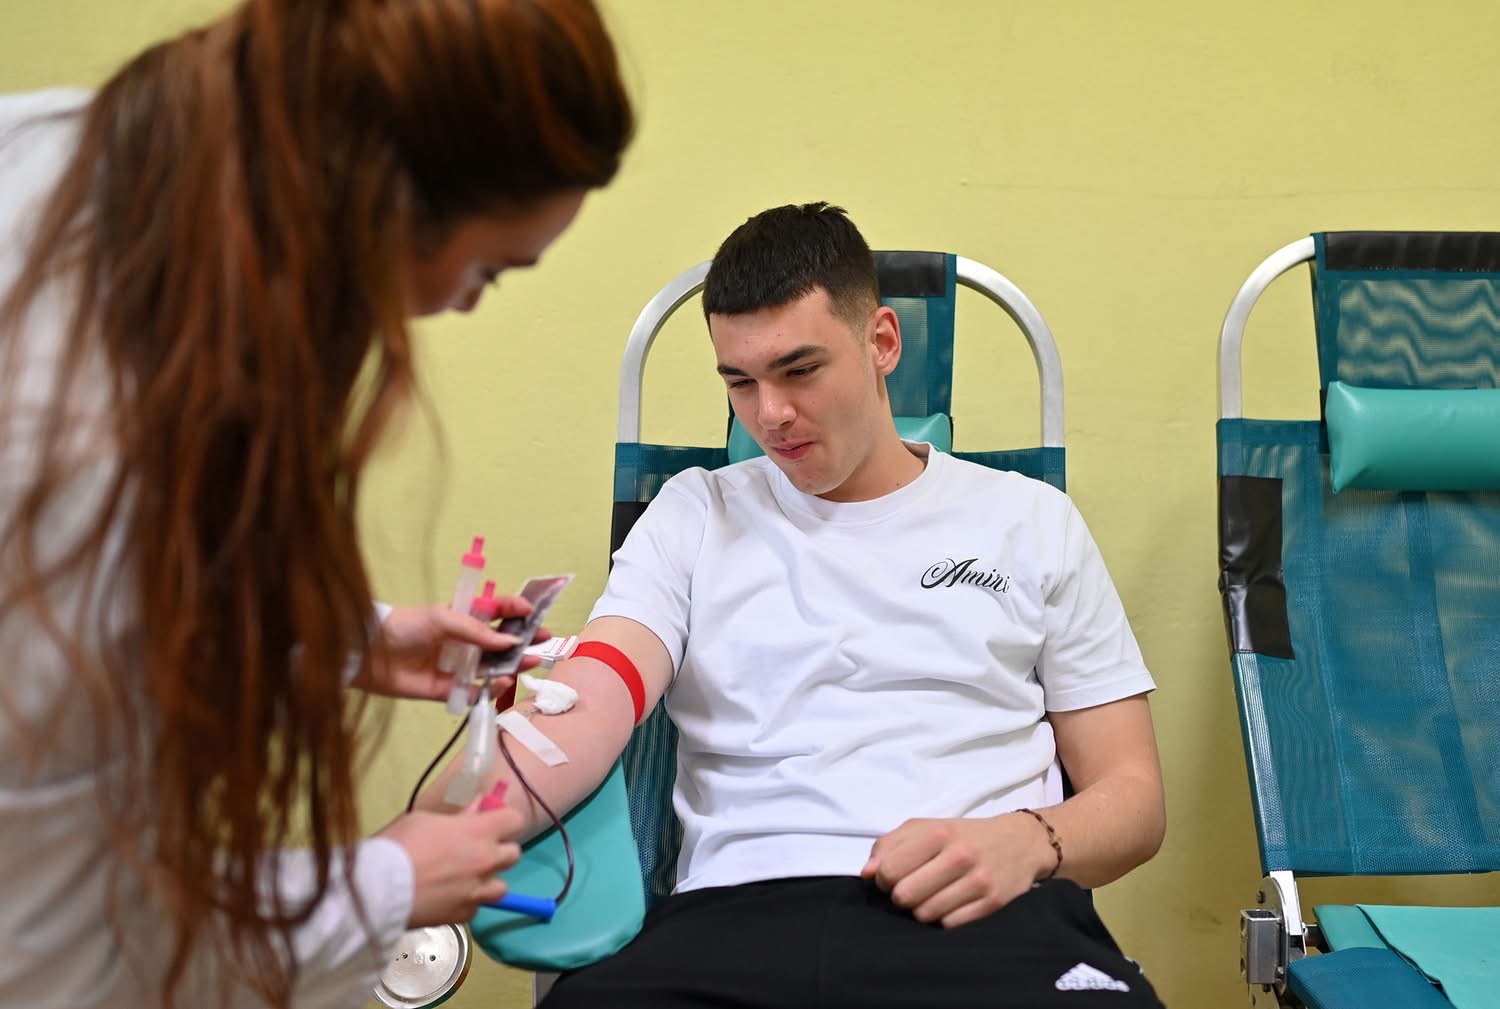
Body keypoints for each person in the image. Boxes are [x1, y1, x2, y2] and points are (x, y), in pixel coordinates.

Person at [0, 2, 632, 1007]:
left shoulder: (71, 150)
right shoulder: (78, 456)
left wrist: (334, 636)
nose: (462, 306)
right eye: (486, 269)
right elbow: (48, 949)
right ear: (374, 197)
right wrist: (387, 885)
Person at [421, 202, 1167, 1007]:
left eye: (799, 370)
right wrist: (427, 838)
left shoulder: (1029, 520)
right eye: (740, 381)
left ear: (882, 342)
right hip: (734, 921)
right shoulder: (694, 514)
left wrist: (1027, 841)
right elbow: (587, 705)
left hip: (981, 912)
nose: (769, 414)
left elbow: (1133, 796)